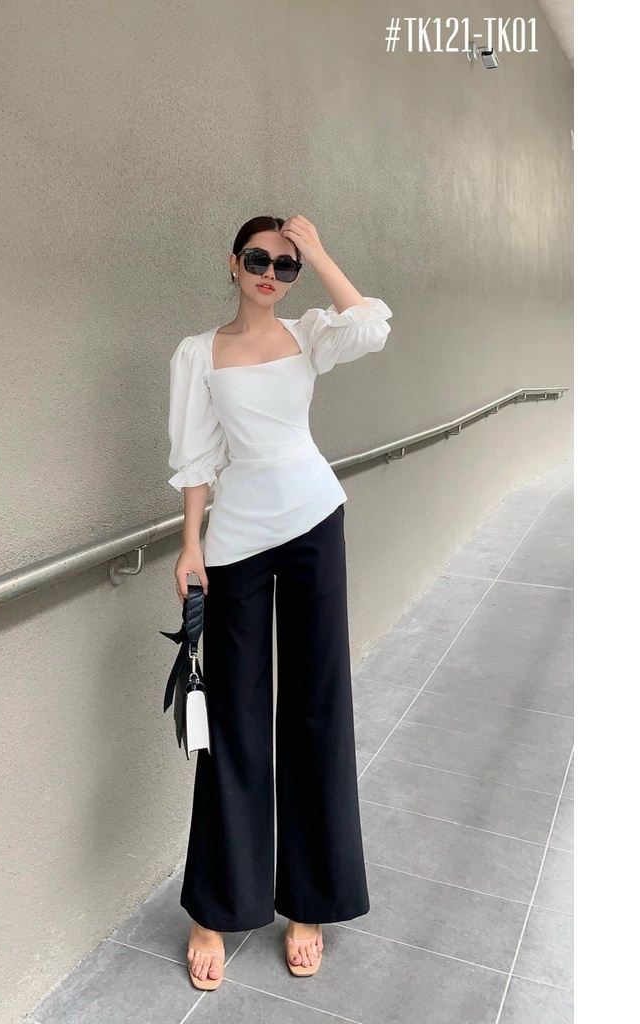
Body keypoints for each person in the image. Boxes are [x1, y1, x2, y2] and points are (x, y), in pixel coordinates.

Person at [167, 214, 393, 990]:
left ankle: (308, 902)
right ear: (233, 264)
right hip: (236, 538)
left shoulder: (309, 334)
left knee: (316, 706)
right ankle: (215, 908)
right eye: (259, 260)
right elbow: (197, 457)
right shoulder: (199, 353)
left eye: (285, 265)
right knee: (233, 719)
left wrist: (320, 251)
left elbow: (373, 326)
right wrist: (190, 544)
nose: (271, 273)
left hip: (314, 522)